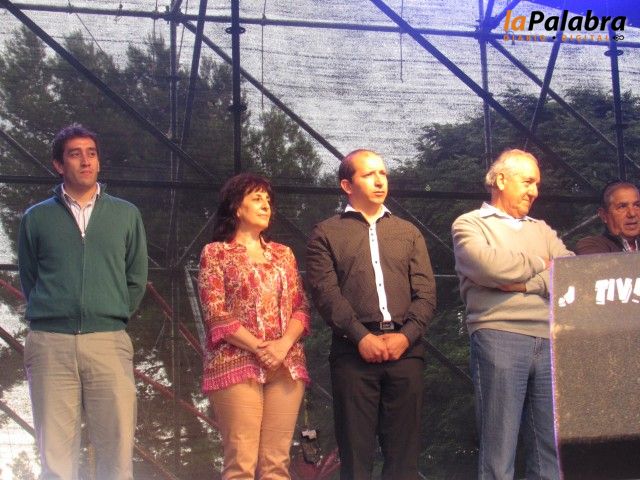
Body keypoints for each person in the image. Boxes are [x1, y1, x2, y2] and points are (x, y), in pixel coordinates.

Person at [18, 124, 148, 480]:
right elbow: (30, 278)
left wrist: (110, 313)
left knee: (117, 457)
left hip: (108, 341)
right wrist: (55, 312)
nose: (86, 161)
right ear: (59, 165)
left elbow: (136, 277)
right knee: (56, 461)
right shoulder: (36, 217)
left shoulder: (126, 214)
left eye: (91, 153)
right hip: (50, 345)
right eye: (75, 154)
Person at [306, 149, 436, 479]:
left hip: (406, 351)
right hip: (352, 352)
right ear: (347, 185)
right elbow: (325, 294)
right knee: (355, 457)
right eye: (369, 175)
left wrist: (405, 337)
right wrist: (360, 337)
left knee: (404, 459)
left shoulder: (408, 232)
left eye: (383, 174)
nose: (380, 181)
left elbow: (426, 293)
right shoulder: (326, 232)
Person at [452, 149, 573, 480]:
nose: (534, 191)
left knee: (550, 451)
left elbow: (569, 271)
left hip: (549, 338)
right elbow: (488, 266)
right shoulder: (469, 223)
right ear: (502, 180)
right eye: (528, 182)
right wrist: (542, 264)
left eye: (537, 185)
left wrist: (521, 284)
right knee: (499, 449)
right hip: (498, 335)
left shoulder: (542, 229)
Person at [198, 173, 310, 479]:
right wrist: (261, 348)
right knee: (241, 463)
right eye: (257, 198)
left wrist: (282, 346)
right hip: (236, 361)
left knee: (276, 464)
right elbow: (215, 312)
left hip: (286, 363)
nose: (265, 205)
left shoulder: (284, 254)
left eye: (268, 200)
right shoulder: (216, 253)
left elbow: (301, 307)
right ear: (237, 207)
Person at [576, 180, 640, 254]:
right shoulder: (591, 245)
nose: (632, 213)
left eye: (637, 205)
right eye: (622, 207)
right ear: (604, 215)